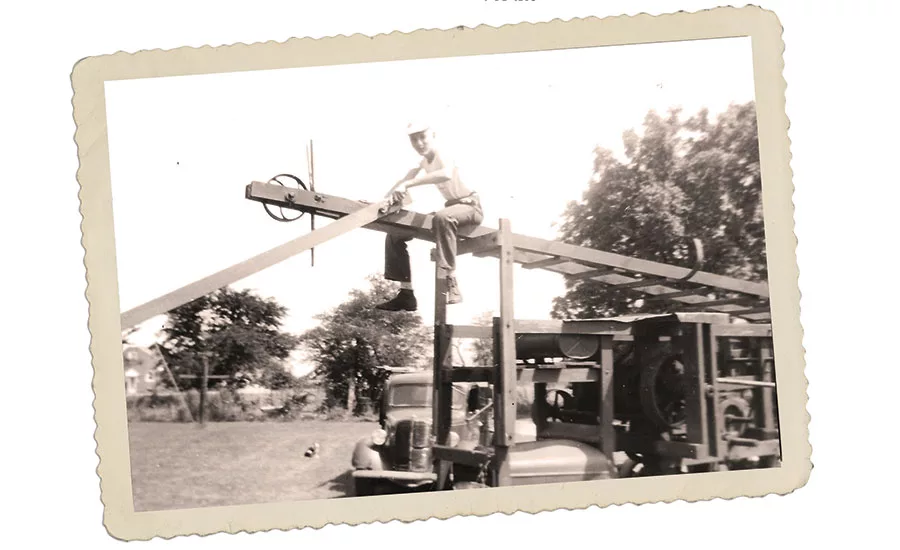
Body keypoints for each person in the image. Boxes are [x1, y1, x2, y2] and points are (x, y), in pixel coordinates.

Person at [375, 121, 483, 312]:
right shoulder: (424, 161)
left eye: (422, 137)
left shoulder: (444, 152)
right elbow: (405, 180)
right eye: (414, 140)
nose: (419, 143)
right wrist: (381, 202)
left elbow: (446, 174)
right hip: (450, 209)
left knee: (442, 217)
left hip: (470, 207)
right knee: (396, 231)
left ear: (433, 135)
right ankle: (406, 294)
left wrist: (408, 186)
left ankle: (451, 280)